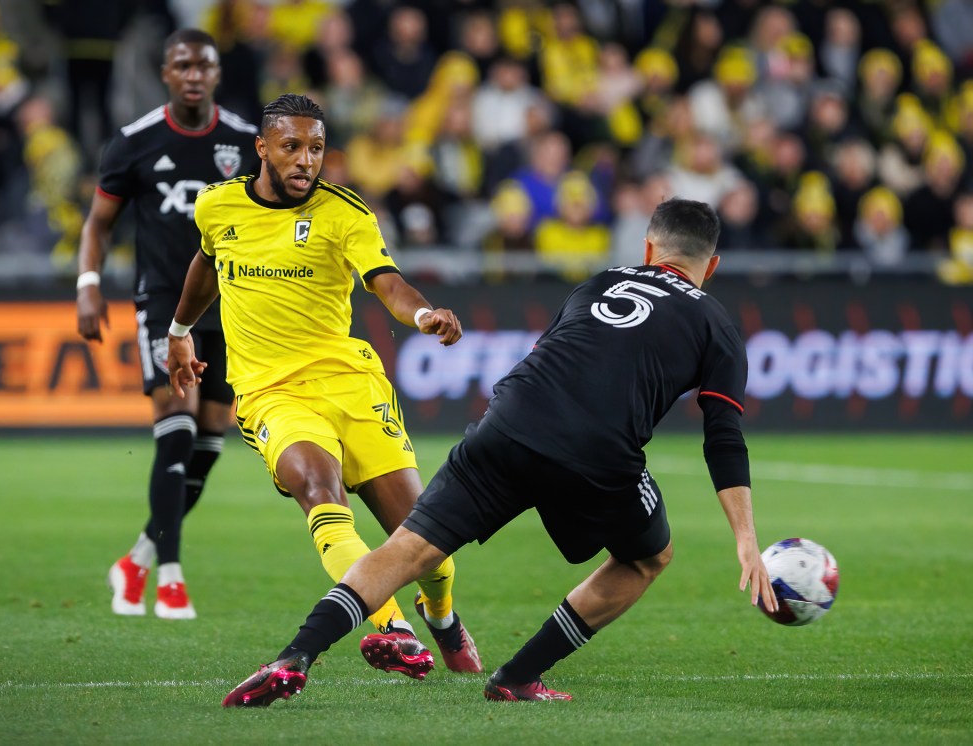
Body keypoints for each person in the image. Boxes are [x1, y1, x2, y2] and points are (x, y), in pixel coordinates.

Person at [214, 198, 779, 707]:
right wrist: (746, 539)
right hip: (597, 454)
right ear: (712, 266)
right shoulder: (717, 324)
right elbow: (723, 437)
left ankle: (293, 656)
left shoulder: (600, 282)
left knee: (408, 548)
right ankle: (518, 676)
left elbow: (551, 354)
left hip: (506, 422)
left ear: (649, 248)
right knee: (646, 558)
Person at [166, 93, 482, 677]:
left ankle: (441, 616)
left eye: (315, 148)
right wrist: (180, 331)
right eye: (291, 146)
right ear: (262, 148)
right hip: (271, 393)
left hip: (349, 385)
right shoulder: (217, 205)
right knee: (318, 488)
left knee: (426, 542)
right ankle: (393, 627)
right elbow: (206, 263)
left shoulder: (345, 213)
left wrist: (422, 315)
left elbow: (387, 283)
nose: (305, 159)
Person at [75, 29, 260, 620]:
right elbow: (98, 223)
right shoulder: (135, 142)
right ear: (166, 73)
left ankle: (136, 560)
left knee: (209, 441)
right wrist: (88, 284)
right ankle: (171, 579)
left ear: (216, 73)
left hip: (227, 305)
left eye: (203, 65)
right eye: (183, 65)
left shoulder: (244, 141)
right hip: (161, 303)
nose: (193, 75)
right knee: (177, 427)